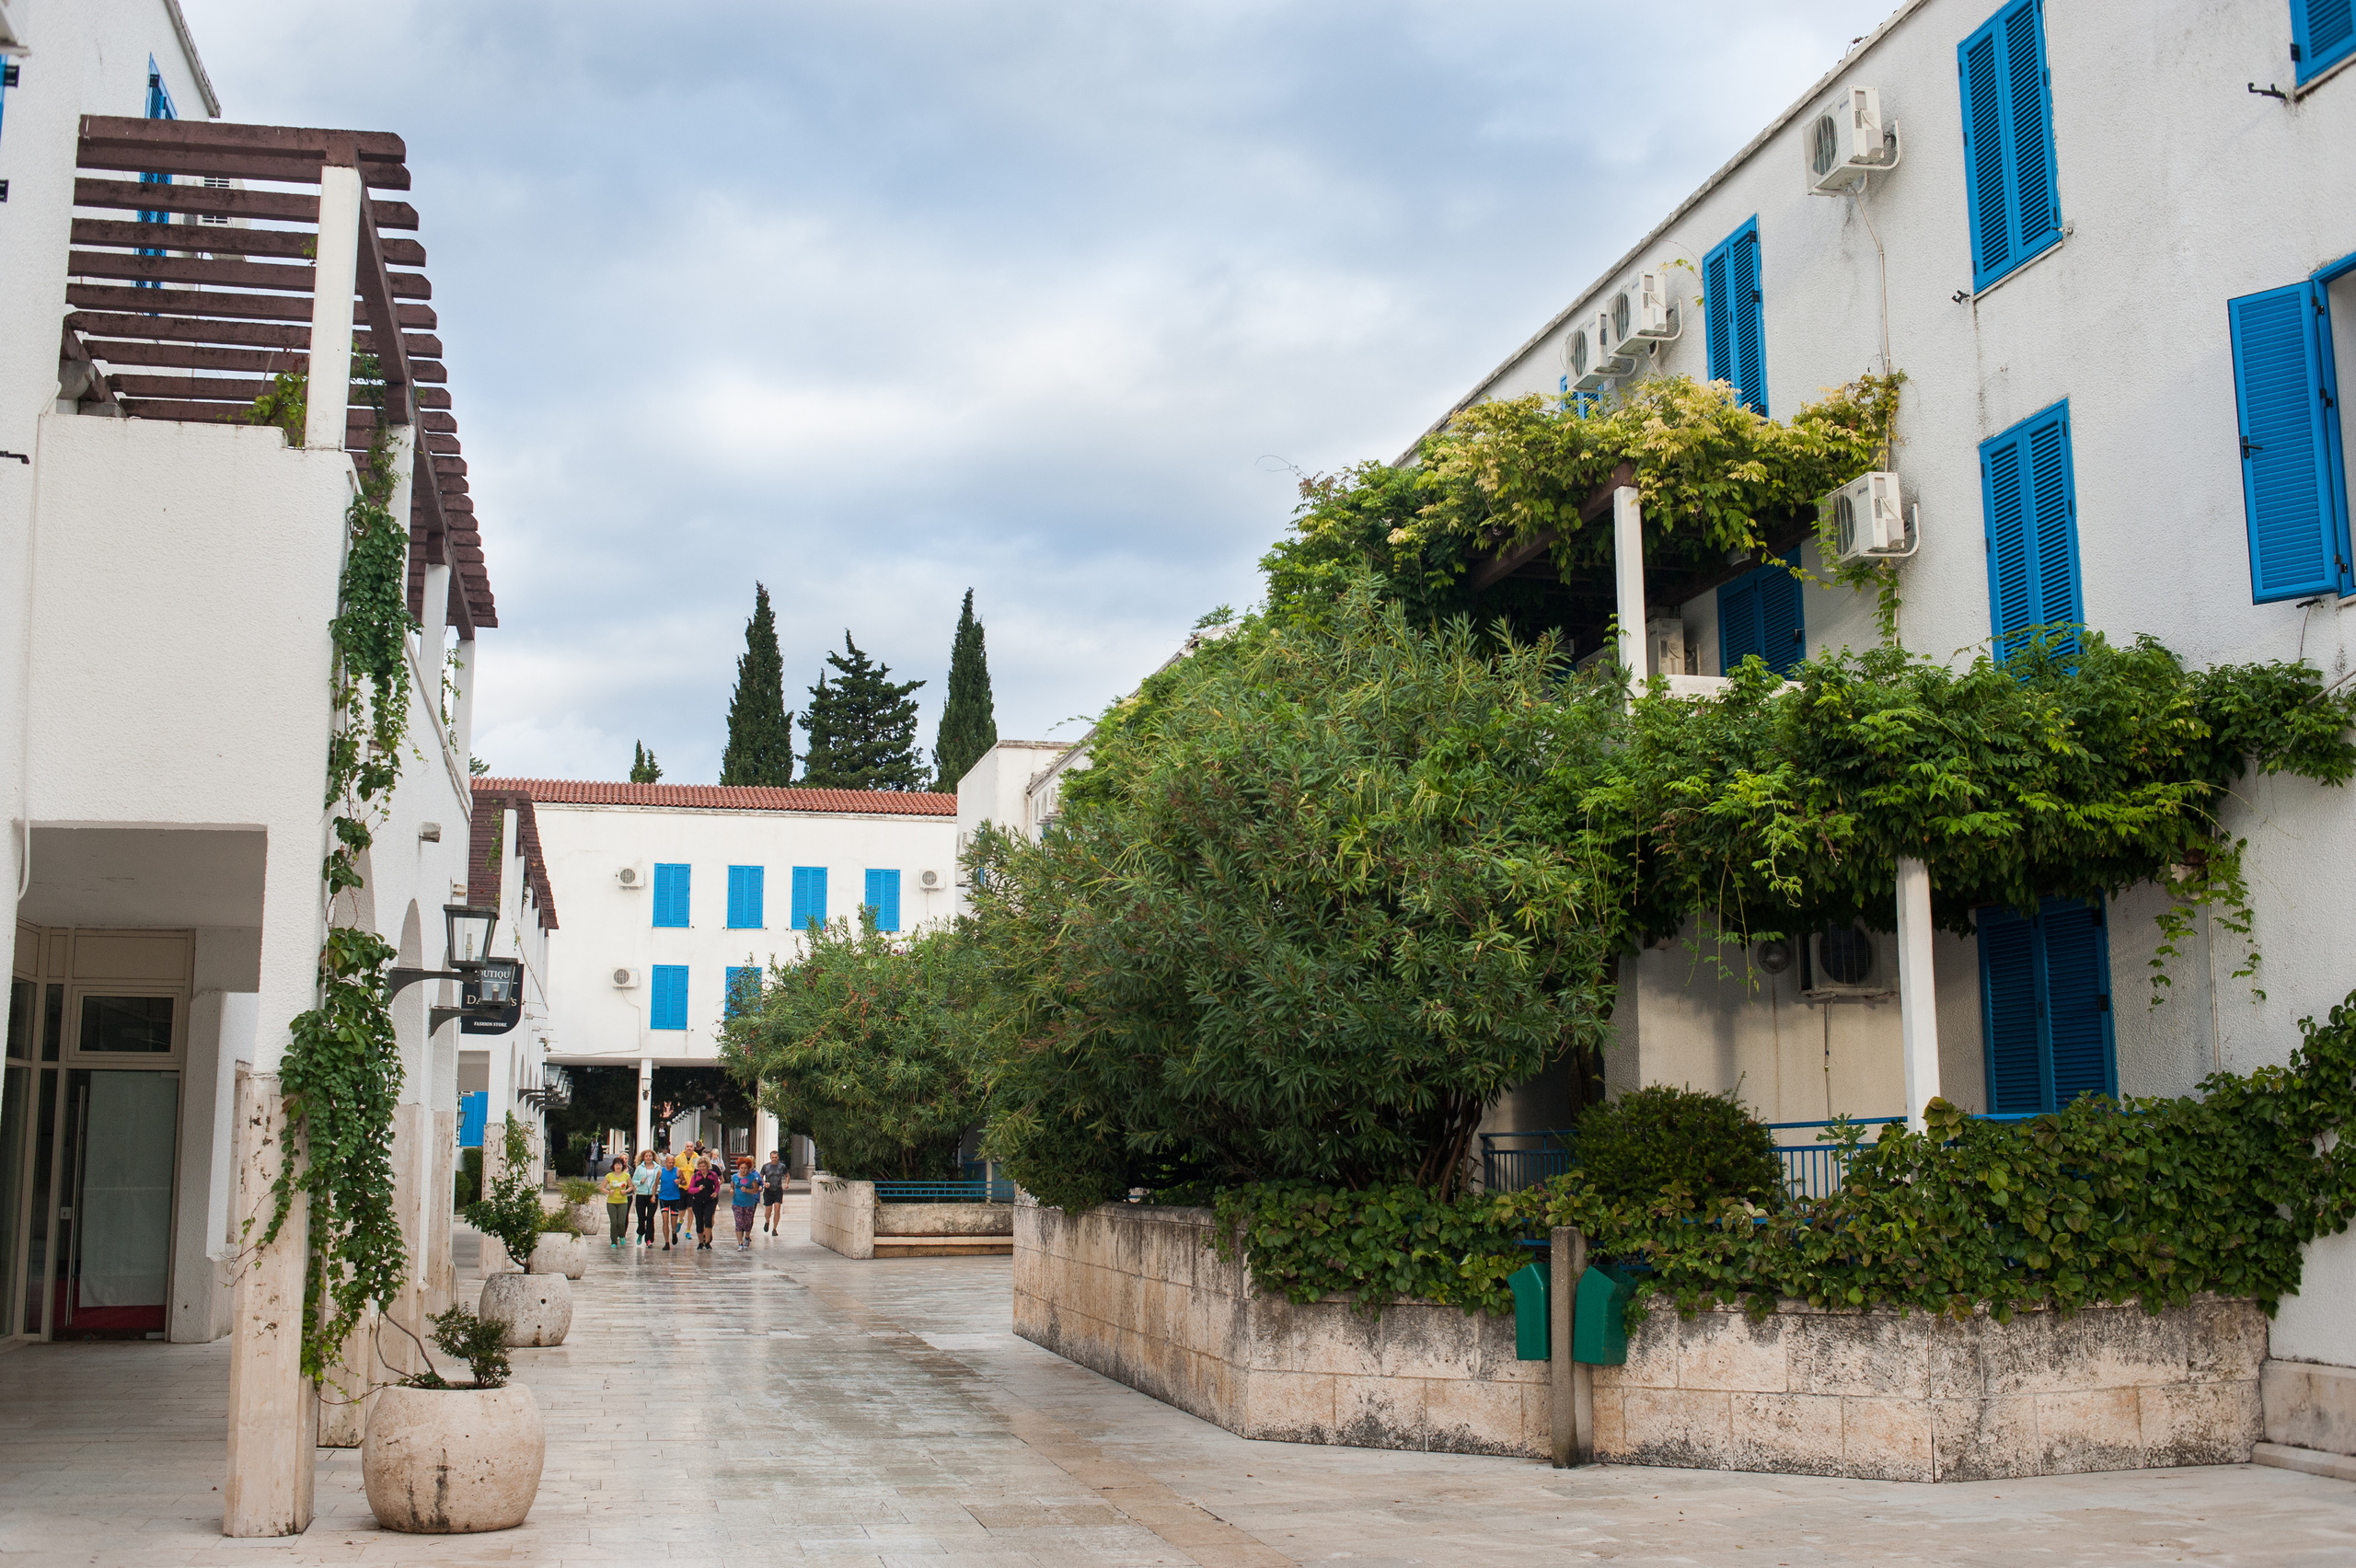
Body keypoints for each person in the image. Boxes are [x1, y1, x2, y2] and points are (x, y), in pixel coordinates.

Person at [687, 1154, 722, 1251]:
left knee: (708, 1220)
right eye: (700, 1167)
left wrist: (715, 1192)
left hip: (709, 1200)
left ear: (707, 1166)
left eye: (704, 1166)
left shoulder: (713, 1175)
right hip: (697, 1201)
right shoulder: (695, 1176)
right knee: (699, 1221)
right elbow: (690, 1189)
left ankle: (707, 1242)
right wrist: (698, 1189)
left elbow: (717, 1185)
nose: (702, 1168)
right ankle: (700, 1242)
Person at [730, 1158, 761, 1251]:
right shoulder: (735, 1177)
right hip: (737, 1203)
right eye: (742, 1168)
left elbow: (755, 1190)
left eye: (745, 1168)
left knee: (747, 1223)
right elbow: (732, 1186)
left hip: (749, 1203)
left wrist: (747, 1190)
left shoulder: (752, 1178)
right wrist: (731, 1190)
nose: (743, 1170)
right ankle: (740, 1243)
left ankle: (747, 1237)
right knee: (739, 1223)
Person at [656, 1153, 686, 1249]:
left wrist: (680, 1182)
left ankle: (674, 1232)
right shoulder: (661, 1172)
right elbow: (655, 1183)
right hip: (664, 1198)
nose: (671, 1164)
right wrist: (653, 1195)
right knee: (665, 1219)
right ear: (665, 1162)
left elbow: (684, 1182)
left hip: (675, 1198)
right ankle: (666, 1242)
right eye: (669, 1163)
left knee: (674, 1221)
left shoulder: (678, 1171)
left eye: (673, 1163)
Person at [631, 1150, 660, 1247]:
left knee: (650, 1217)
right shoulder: (639, 1168)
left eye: (650, 1156)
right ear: (643, 1158)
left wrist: (657, 1190)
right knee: (641, 1217)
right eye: (646, 1156)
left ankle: (649, 1239)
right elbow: (633, 1181)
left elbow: (661, 1181)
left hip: (653, 1195)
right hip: (641, 1194)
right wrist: (640, 1182)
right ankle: (640, 1232)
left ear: (653, 1157)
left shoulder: (658, 1168)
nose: (648, 1158)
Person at [602, 1158, 632, 1249]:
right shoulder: (609, 1176)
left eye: (620, 1164)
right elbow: (602, 1187)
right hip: (611, 1202)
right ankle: (613, 1241)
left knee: (621, 1222)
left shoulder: (626, 1176)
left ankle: (622, 1235)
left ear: (623, 1166)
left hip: (623, 1201)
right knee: (614, 1222)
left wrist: (626, 1191)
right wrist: (608, 1192)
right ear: (613, 1166)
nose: (618, 1166)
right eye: (616, 1164)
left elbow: (631, 1187)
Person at [758, 1148, 788, 1235]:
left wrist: (786, 1183)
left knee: (777, 1208)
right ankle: (767, 1221)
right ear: (770, 1158)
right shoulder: (766, 1166)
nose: (774, 1159)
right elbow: (760, 1176)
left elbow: (787, 1175)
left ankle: (774, 1229)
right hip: (768, 1190)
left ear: (778, 1158)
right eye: (772, 1157)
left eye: (775, 1157)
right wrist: (764, 1183)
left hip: (778, 1189)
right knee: (768, 1210)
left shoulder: (782, 1167)